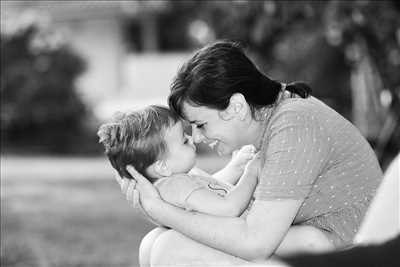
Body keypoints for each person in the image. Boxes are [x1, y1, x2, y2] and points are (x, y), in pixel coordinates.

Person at [116, 41, 384, 266]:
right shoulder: (276, 117)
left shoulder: (293, 127)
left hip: (349, 255)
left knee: (169, 249)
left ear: (236, 106)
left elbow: (255, 242)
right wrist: (157, 203)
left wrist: (162, 211)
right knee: (152, 244)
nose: (197, 137)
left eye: (200, 124)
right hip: (315, 244)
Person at [97, 105, 260, 218]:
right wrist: (251, 173)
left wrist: (236, 166)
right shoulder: (175, 186)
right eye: (183, 140)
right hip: (253, 230)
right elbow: (229, 208)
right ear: (162, 166)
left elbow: (213, 188)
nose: (192, 138)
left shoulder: (181, 179)